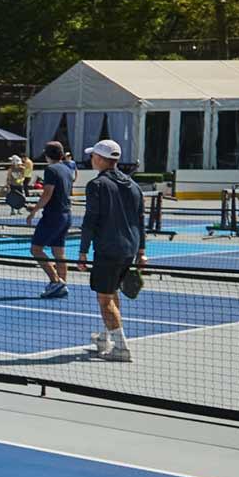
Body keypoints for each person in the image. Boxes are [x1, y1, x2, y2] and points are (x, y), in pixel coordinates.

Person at [77, 139, 146, 362]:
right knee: (112, 291)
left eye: (93, 156)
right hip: (129, 248)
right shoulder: (133, 185)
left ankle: (121, 347)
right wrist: (141, 251)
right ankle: (104, 338)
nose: (91, 159)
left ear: (99, 158)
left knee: (104, 298)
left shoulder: (96, 185)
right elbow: (140, 220)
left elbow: (90, 220)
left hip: (108, 249)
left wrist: (82, 252)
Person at [27, 140, 75, 298]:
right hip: (66, 215)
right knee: (58, 252)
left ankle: (55, 282)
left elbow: (48, 193)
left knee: (36, 249)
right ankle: (63, 284)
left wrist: (34, 211)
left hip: (53, 216)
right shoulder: (68, 169)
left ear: (47, 155)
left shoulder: (50, 169)